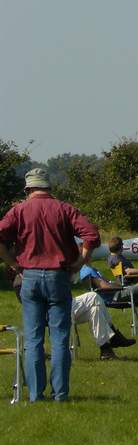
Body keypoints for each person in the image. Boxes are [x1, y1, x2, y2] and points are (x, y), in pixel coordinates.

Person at [0, 167, 100, 402]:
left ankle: (36, 394)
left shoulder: (19, 210)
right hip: (58, 277)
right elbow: (91, 235)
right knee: (60, 339)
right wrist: (79, 262)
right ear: (48, 187)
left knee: (33, 339)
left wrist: (12, 263)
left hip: (30, 277)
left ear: (28, 189)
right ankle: (60, 394)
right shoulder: (64, 209)